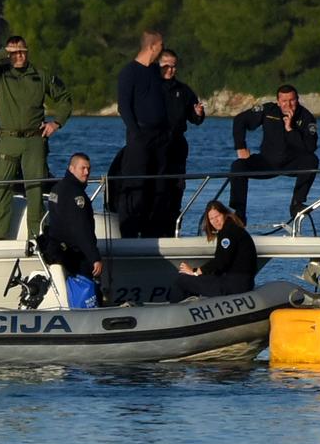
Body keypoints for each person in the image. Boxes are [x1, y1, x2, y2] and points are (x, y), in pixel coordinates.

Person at [0, 36, 73, 242]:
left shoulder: (40, 76)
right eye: (14, 52)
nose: (19, 56)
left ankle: (37, 238)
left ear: (28, 52)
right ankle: (0, 238)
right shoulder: (1, 76)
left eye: (22, 51)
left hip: (34, 141)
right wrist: (4, 52)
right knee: (2, 188)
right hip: (7, 140)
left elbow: (64, 99)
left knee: (35, 189)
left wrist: (55, 123)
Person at [227, 83, 318, 224]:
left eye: (292, 100)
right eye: (284, 101)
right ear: (278, 102)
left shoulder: (307, 117)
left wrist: (290, 129)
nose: (288, 104)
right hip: (267, 162)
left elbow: (310, 147)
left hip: (292, 163)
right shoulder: (268, 110)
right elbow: (239, 120)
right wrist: (241, 147)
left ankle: (297, 204)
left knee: (312, 160)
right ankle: (239, 213)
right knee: (238, 166)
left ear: (297, 99)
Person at [113, 30, 169, 238]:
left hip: (160, 137)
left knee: (159, 184)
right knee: (136, 183)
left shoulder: (154, 71)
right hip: (141, 135)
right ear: (152, 46)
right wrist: (137, 133)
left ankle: (153, 230)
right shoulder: (129, 72)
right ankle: (129, 229)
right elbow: (124, 107)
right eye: (161, 45)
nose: (162, 49)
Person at [156, 49, 205, 235]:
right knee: (155, 185)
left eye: (174, 66)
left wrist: (198, 113)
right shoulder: (151, 87)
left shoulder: (183, 90)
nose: (170, 70)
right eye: (166, 66)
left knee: (176, 186)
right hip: (155, 144)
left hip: (176, 144)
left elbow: (195, 117)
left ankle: (173, 225)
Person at [40, 152, 103, 282]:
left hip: (59, 252)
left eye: (88, 168)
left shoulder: (57, 188)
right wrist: (94, 257)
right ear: (71, 169)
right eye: (83, 168)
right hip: (75, 257)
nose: (86, 172)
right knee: (85, 293)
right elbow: (81, 229)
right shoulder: (75, 195)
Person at [175, 200, 256, 298]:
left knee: (182, 280)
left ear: (224, 214)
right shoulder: (234, 228)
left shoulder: (227, 232)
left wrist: (195, 272)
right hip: (243, 282)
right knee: (200, 279)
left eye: (217, 216)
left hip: (235, 284)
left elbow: (221, 261)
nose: (215, 221)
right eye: (211, 218)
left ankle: (174, 308)